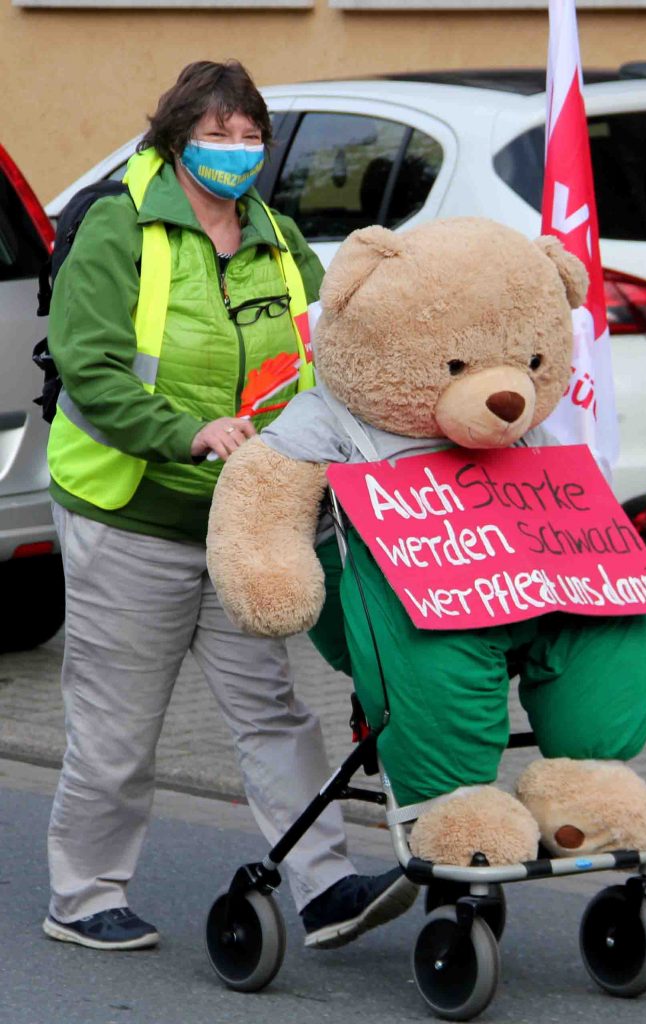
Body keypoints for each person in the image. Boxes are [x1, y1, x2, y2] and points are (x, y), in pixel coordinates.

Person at [42, 59, 416, 952]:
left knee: (272, 710)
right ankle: (84, 895)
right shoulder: (118, 228)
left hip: (245, 519)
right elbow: (88, 369)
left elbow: (331, 356)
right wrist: (187, 432)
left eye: (250, 137)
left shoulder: (281, 238)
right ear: (177, 141)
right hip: (130, 513)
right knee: (118, 724)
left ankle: (324, 886)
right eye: (217, 136)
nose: (236, 152)